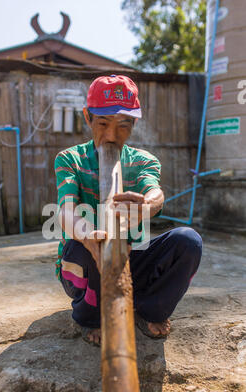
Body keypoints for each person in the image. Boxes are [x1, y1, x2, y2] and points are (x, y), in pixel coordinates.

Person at [54, 75, 202, 346]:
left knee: (188, 241)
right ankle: (92, 316)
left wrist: (147, 206)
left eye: (123, 125)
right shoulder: (70, 159)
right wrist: (88, 237)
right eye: (103, 123)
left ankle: (149, 308)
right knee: (79, 248)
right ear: (87, 116)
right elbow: (66, 212)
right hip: (86, 260)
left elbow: (155, 192)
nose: (112, 135)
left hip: (130, 259)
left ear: (134, 124)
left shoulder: (144, 161)